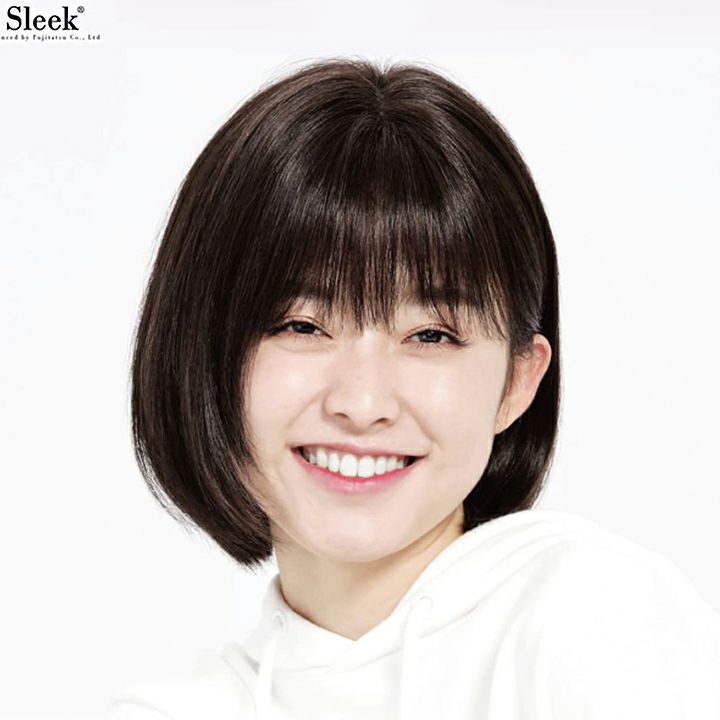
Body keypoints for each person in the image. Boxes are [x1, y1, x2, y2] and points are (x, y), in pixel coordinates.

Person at [107, 57, 720, 719]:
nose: (362, 404)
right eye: (302, 325)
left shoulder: (590, 618)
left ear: (518, 381)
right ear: (201, 356)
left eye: (431, 335)